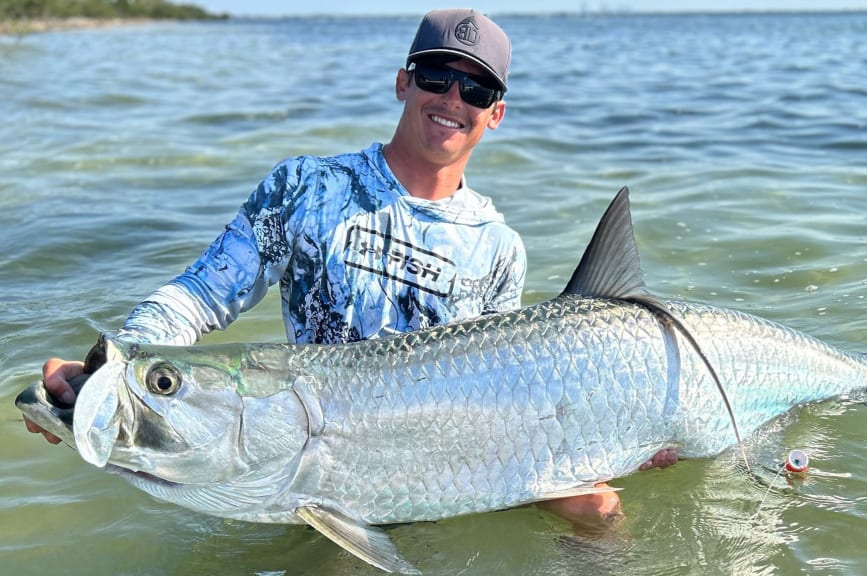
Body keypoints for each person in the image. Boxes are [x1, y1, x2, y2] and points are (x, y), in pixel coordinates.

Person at [25, 8, 675, 532]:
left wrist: (610, 439)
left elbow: (506, 395)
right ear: (403, 82)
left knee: (598, 514)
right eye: (436, 77)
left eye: (476, 88)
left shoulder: (499, 246)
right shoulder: (306, 188)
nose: (453, 98)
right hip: (317, 468)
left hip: (445, 477)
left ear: (495, 113)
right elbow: (201, 294)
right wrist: (119, 369)